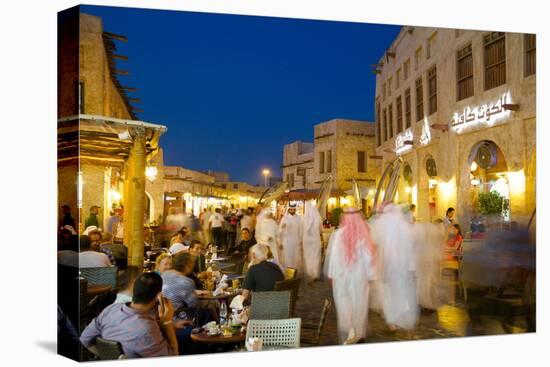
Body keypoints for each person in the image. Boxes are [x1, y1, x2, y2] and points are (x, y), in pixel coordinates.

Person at [80, 272, 179, 358]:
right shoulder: (147, 331)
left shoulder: (111, 309)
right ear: (158, 296)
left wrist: (106, 358)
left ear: (134, 290)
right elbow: (173, 357)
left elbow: (84, 339)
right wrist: (168, 322)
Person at [325, 208, 376, 343]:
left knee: (344, 302)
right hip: (359, 278)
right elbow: (368, 258)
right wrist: (371, 276)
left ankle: (350, 330)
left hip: (342, 277)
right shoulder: (364, 235)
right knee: (359, 304)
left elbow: (334, 258)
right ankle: (358, 332)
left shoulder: (338, 234)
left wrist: (332, 275)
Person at [370, 203, 419, 331]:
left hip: (385, 264)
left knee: (388, 294)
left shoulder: (380, 224)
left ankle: (391, 321)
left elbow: (374, 244)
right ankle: (398, 317)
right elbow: (410, 246)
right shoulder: (403, 225)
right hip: (400, 266)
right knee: (399, 291)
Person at [302, 200, 323, 282]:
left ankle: (310, 272)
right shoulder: (318, 217)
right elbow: (321, 229)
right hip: (315, 240)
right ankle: (315, 273)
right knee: (315, 256)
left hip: (307, 240)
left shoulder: (305, 218)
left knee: (308, 257)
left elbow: (302, 229)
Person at [279, 202, 303, 271]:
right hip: (287, 241)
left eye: (294, 209)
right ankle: (288, 271)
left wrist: (301, 240)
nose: (292, 211)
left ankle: (294, 271)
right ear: (288, 210)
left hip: (296, 241)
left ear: (295, 210)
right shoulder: (285, 219)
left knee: (295, 257)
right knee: (287, 256)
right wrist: (282, 228)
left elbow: (301, 230)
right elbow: (280, 231)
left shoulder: (299, 218)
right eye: (291, 209)